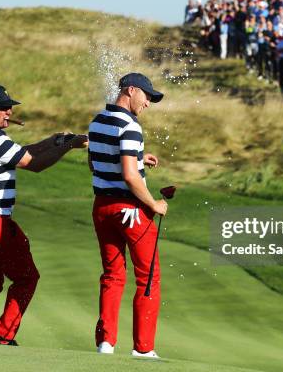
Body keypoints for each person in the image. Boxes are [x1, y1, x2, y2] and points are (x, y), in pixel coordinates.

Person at [0, 85, 87, 345]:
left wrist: (53, 141)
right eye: (3, 108)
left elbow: (20, 152)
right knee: (27, 278)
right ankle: (4, 336)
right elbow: (34, 164)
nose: (9, 112)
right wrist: (70, 145)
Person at [88, 73, 168, 358]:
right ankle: (143, 349)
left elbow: (95, 163)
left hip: (103, 208)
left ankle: (105, 343)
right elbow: (131, 177)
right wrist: (154, 205)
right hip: (131, 211)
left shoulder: (97, 121)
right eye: (147, 96)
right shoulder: (131, 126)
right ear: (131, 90)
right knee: (148, 277)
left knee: (112, 274)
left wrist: (137, 156)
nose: (148, 103)